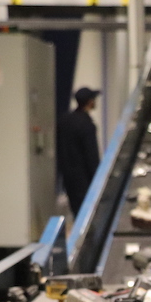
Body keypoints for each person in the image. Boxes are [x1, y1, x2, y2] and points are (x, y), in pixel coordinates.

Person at [57, 87, 101, 215]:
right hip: (84, 180)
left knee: (76, 212)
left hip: (68, 178)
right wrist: (98, 180)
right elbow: (91, 156)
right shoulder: (87, 125)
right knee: (87, 214)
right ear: (90, 102)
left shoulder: (64, 120)